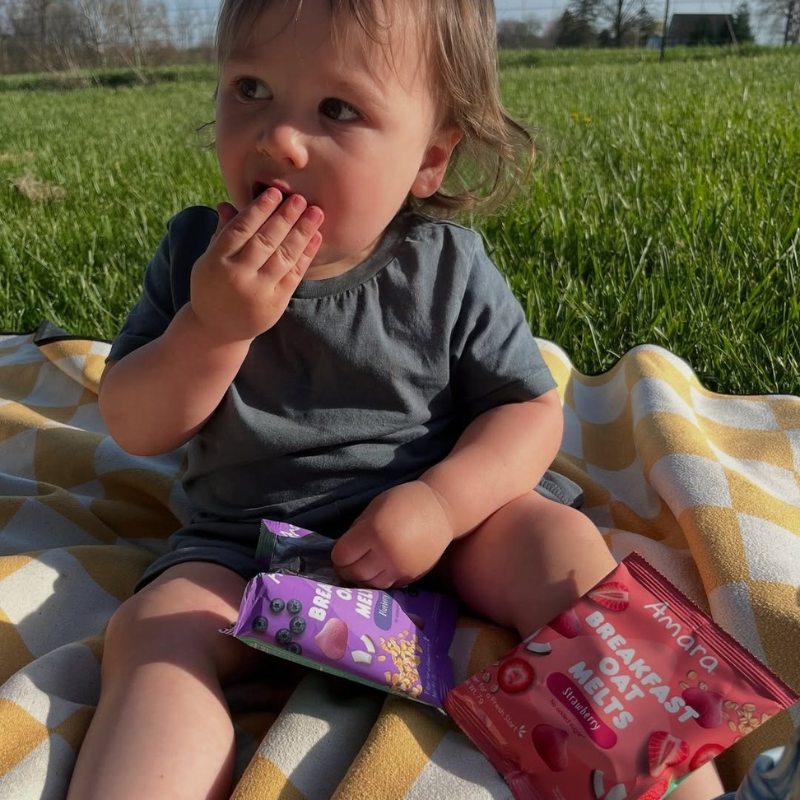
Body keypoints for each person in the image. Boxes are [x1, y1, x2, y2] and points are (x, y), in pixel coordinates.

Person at [66, 1, 725, 799]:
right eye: (249, 88)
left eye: (337, 109)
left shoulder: (444, 266)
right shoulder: (194, 258)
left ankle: (673, 783)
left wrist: (442, 506)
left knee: (561, 549)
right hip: (247, 543)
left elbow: (525, 412)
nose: (278, 138)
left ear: (430, 159)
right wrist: (211, 329)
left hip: (449, 528)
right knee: (153, 633)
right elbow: (137, 423)